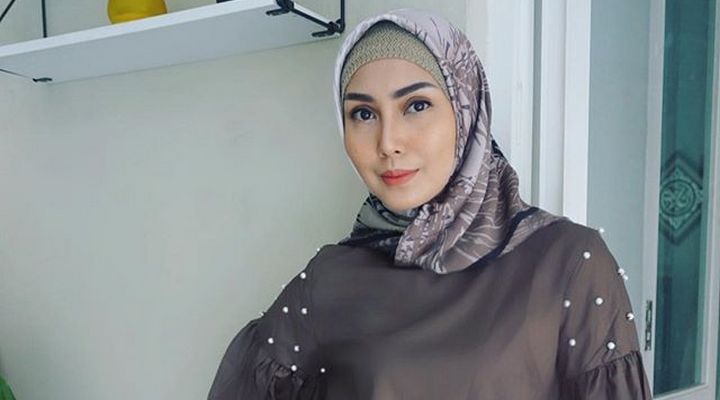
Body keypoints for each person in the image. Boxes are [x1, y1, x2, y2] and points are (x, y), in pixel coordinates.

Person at [207, 7, 653, 399]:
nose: (388, 142)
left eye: (416, 105)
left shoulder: (568, 263)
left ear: (466, 110)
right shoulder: (327, 280)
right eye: (363, 114)